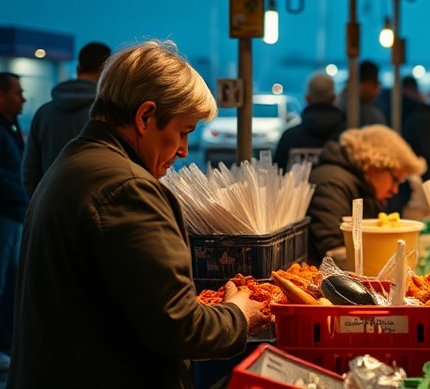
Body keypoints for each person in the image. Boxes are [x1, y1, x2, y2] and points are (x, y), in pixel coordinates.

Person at [8, 40, 266, 389]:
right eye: (182, 131)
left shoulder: (73, 162)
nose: (184, 150)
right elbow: (180, 327)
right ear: (145, 116)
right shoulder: (126, 189)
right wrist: (239, 314)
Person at [306, 124, 426, 263]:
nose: (395, 190)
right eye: (395, 180)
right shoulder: (331, 183)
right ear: (375, 166)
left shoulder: (360, 185)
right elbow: (334, 250)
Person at [22, 41, 111, 195]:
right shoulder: (111, 113)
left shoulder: (44, 113)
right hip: (95, 209)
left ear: (78, 69)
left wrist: (41, 206)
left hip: (49, 208)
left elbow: (30, 171)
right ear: (107, 71)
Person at [0, 72, 27, 372]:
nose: (23, 99)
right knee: (4, 282)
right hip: (5, 215)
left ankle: (6, 343)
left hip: (14, 213)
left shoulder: (10, 126)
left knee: (10, 283)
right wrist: (22, 190)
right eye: (18, 93)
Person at [273, 72, 345, 169]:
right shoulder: (346, 139)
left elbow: (276, 175)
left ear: (307, 99)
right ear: (333, 99)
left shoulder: (289, 138)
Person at [335, 60, 387, 127]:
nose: (377, 90)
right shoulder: (351, 109)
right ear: (361, 84)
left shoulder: (343, 102)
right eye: (374, 85)